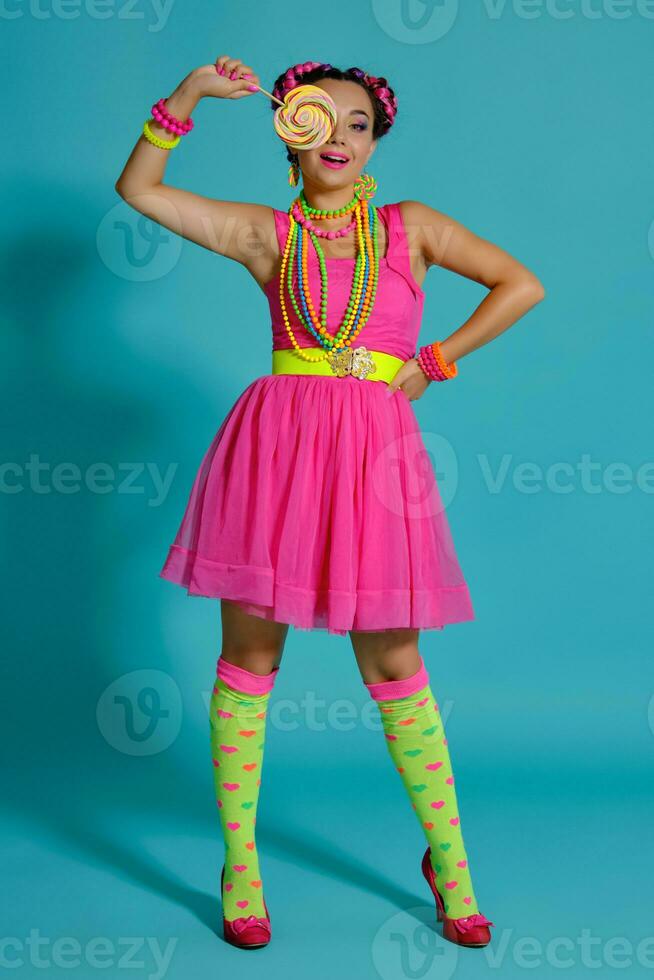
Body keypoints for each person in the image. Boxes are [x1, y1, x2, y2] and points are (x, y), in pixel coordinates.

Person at [115, 55, 545, 951]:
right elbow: (141, 189)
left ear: (376, 138)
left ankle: (451, 865)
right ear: (290, 127)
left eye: (359, 123)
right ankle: (241, 864)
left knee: (394, 661)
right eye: (323, 118)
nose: (341, 136)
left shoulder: (410, 227)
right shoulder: (266, 235)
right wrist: (189, 98)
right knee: (251, 658)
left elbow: (520, 285)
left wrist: (431, 360)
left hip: (374, 458)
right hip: (273, 454)